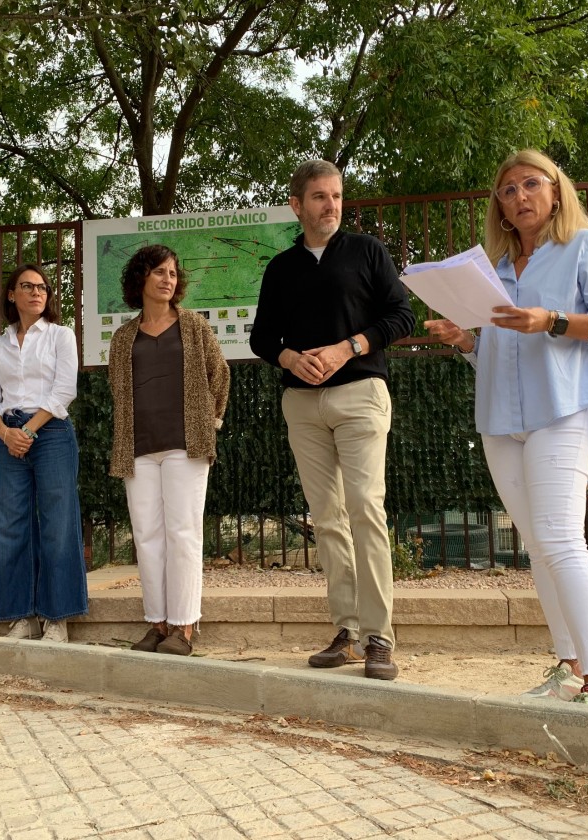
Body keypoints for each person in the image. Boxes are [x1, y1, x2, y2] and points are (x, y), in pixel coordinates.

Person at [425, 149, 588, 707]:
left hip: (564, 410)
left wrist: (554, 320)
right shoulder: (489, 272)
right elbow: (497, 354)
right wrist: (465, 340)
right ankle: (568, 667)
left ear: (556, 191)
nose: (519, 196)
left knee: (562, 540)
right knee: (539, 546)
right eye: (508, 190)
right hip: (500, 420)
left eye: (530, 184)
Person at [250, 159, 416, 680]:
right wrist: (289, 358)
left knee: (365, 507)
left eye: (337, 196)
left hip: (361, 394)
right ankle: (346, 630)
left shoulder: (368, 252)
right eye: (320, 197)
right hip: (302, 403)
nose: (332, 206)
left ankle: (379, 638)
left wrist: (349, 347)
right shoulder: (280, 268)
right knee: (326, 518)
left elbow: (401, 315)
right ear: (297, 206)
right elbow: (261, 337)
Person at [108, 244, 230, 656]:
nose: (168, 279)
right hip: (137, 447)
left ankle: (184, 626)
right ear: (141, 278)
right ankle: (157, 623)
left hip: (186, 445)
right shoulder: (124, 337)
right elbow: (118, 391)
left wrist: (209, 422)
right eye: (159, 272)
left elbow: (220, 374)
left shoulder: (194, 325)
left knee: (183, 534)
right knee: (146, 537)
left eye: (173, 274)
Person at [0, 264, 88, 642]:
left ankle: (57, 617)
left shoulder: (60, 336)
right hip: (7, 433)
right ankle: (19, 615)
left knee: (57, 522)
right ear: (12, 295)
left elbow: (64, 391)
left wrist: (27, 430)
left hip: (51, 432)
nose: (36, 292)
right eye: (27, 286)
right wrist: (5, 432)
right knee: (10, 524)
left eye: (42, 287)